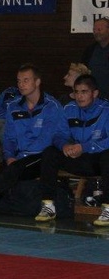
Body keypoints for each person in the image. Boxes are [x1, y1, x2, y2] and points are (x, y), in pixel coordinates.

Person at [0, 64, 69, 219]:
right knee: (6, 167)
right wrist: (9, 156)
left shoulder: (52, 106)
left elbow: (48, 139)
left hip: (43, 157)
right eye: (19, 81)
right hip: (19, 157)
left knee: (15, 169)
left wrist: (20, 157)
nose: (21, 84)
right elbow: (9, 137)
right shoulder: (14, 106)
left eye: (26, 80)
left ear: (37, 82)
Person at [37, 75, 109, 224]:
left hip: (97, 160)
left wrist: (85, 147)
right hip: (77, 158)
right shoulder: (69, 109)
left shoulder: (106, 110)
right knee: (50, 152)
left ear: (95, 93)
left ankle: (107, 208)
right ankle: (48, 205)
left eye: (84, 92)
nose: (79, 96)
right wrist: (64, 146)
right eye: (76, 92)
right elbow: (58, 135)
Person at [82, 17, 109, 98]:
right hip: (94, 98)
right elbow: (83, 71)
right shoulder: (90, 50)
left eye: (99, 29)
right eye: (94, 30)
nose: (96, 32)